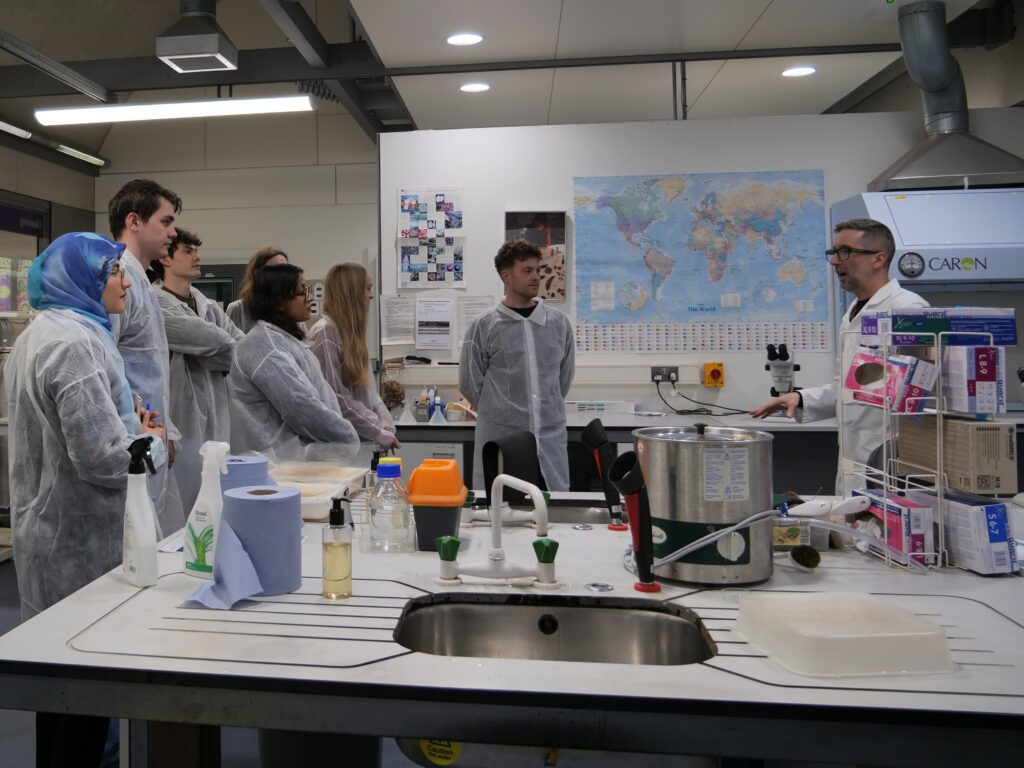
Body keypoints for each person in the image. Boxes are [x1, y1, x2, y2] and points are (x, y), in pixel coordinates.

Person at [6, 232, 166, 767]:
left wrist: (130, 429)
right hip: (80, 547)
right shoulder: (76, 344)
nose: (124, 282)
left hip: (47, 536)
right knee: (84, 707)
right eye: (113, 273)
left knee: (57, 697)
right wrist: (155, 445)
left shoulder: (43, 333)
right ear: (85, 280)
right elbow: (101, 458)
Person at [750, 218, 928, 494]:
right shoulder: (853, 313)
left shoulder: (909, 309)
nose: (835, 262)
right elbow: (847, 387)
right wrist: (799, 398)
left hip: (892, 459)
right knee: (855, 529)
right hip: (856, 457)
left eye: (845, 252)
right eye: (834, 253)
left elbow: (920, 393)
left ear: (878, 258)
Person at [459, 239, 575, 491]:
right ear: (506, 276)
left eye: (538, 270)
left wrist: (541, 407)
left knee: (550, 511)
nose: (536, 276)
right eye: (527, 271)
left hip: (549, 438)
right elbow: (470, 383)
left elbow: (562, 379)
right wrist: (500, 411)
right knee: (503, 513)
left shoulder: (557, 323)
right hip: (501, 439)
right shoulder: (485, 325)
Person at [108, 178, 183, 536]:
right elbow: (107, 369)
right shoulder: (118, 278)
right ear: (134, 221)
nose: (173, 232)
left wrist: (165, 432)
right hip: (131, 442)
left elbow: (148, 370)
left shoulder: (141, 281)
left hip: (148, 439)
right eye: (165, 222)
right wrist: (139, 427)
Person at [153, 228, 244, 514]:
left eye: (196, 250)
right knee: (185, 504)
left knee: (215, 499)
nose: (197, 256)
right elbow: (209, 339)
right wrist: (212, 347)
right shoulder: (157, 303)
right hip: (180, 420)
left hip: (215, 416)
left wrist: (209, 350)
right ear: (166, 260)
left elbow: (239, 350)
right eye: (187, 251)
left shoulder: (207, 305)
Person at [228, 264, 359, 463]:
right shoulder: (264, 346)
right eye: (302, 291)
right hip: (278, 467)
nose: (310, 297)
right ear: (280, 301)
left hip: (296, 465)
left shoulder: (285, 340)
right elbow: (302, 407)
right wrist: (350, 439)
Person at [308, 263, 400, 451]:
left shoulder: (349, 335)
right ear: (351, 292)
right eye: (367, 288)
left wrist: (386, 424)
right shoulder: (325, 333)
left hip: (358, 443)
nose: (371, 295)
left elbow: (367, 392)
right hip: (336, 448)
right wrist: (378, 430)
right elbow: (336, 398)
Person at [226, 246, 289, 333]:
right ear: (257, 273)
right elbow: (229, 344)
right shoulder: (238, 309)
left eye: (286, 270)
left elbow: (302, 344)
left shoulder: (291, 309)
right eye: (276, 269)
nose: (282, 275)